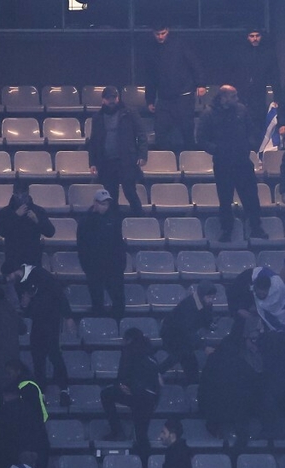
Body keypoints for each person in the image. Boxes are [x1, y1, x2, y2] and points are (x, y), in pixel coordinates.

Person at [197, 85, 267, 242]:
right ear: (223, 97)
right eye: (233, 96)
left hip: (243, 161)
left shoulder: (242, 110)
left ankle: (256, 227)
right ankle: (226, 230)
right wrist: (218, 150)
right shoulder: (208, 114)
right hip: (223, 163)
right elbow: (201, 139)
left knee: (251, 197)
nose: (237, 99)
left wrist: (248, 145)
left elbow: (252, 130)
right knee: (225, 199)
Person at [4, 263, 75, 405]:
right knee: (38, 356)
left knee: (54, 354)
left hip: (51, 320)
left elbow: (58, 293)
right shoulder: (19, 284)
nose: (9, 280)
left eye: (9, 276)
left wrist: (68, 316)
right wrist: (25, 305)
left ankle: (64, 390)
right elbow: (27, 309)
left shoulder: (40, 274)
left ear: (15, 271)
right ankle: (41, 391)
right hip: (38, 321)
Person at [0, 362, 49, 468]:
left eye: (9, 373)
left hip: (11, 463)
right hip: (27, 465)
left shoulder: (6, 413)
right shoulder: (30, 413)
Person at [86, 86, 148, 214]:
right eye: (108, 98)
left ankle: (140, 218)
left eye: (113, 97)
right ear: (103, 100)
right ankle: (114, 224)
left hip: (126, 161)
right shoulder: (97, 117)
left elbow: (141, 134)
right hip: (107, 162)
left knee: (130, 192)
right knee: (111, 196)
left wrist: (142, 155)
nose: (112, 100)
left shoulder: (130, 113)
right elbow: (94, 141)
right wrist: (92, 162)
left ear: (118, 98)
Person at [145, 24, 205, 154]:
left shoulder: (180, 44)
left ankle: (191, 162)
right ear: (153, 33)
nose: (160, 37)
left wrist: (200, 84)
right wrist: (149, 99)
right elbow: (150, 77)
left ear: (168, 31)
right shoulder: (151, 50)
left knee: (187, 131)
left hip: (184, 95)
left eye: (163, 33)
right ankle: (164, 163)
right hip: (164, 99)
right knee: (160, 132)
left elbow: (195, 64)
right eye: (158, 34)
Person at [100, 328, 160, 450]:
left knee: (106, 394)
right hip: (150, 398)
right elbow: (157, 382)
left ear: (129, 339)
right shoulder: (151, 355)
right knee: (142, 435)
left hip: (135, 394)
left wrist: (121, 386)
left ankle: (117, 431)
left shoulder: (128, 351)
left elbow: (123, 376)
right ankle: (144, 464)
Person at [76, 189, 126, 319]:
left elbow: (119, 243)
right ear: (95, 203)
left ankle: (117, 325)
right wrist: (87, 267)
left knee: (118, 301)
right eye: (102, 203)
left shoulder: (113, 220)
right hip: (94, 268)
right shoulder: (85, 222)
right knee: (97, 302)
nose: (105, 206)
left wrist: (120, 265)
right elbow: (82, 247)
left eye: (107, 204)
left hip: (113, 267)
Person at [158, 281, 216, 384]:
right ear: (202, 295)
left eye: (212, 297)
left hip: (184, 334)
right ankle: (158, 371)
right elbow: (187, 331)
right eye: (209, 297)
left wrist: (210, 324)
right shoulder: (187, 306)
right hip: (171, 333)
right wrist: (204, 347)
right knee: (182, 353)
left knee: (188, 360)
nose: (211, 300)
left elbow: (206, 318)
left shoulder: (205, 302)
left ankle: (193, 383)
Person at [232, 28, 280, 140]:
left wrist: (277, 97)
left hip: (259, 93)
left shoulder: (268, 54)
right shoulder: (240, 53)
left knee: (258, 123)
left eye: (257, 36)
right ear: (247, 37)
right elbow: (233, 73)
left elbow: (275, 76)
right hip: (241, 93)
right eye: (252, 36)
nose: (255, 39)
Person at [0, 185, 55, 271]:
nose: (20, 198)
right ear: (13, 194)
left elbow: (50, 232)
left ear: (27, 194)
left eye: (23, 195)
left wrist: (37, 220)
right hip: (13, 258)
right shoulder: (5, 212)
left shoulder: (38, 211)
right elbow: (2, 231)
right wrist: (15, 216)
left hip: (32, 258)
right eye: (17, 194)